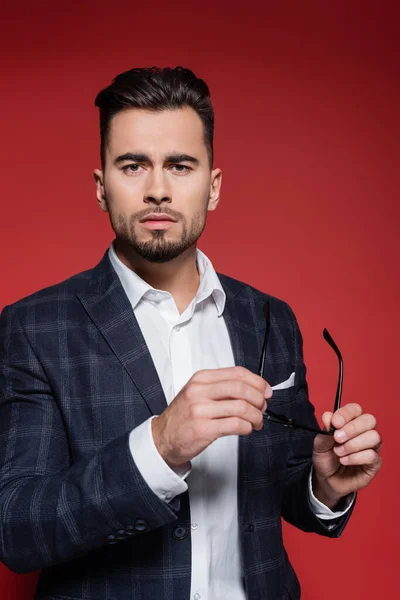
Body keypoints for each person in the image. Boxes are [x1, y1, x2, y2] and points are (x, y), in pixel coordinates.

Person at [0, 66, 381, 600]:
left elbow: (280, 486)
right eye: (133, 166)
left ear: (214, 185)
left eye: (180, 165)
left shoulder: (270, 318)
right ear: (101, 187)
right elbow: (17, 529)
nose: (158, 189)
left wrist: (322, 484)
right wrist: (158, 446)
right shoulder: (34, 328)